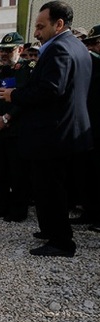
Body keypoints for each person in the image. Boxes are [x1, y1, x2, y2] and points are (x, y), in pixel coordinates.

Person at [0, 1, 92, 257]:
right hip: (66, 131)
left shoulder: (60, 49)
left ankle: (62, 241)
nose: (36, 33)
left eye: (41, 26)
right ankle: (52, 229)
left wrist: (14, 95)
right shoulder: (78, 48)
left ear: (58, 24)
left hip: (54, 134)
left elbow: (50, 90)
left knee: (51, 188)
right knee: (52, 187)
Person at [0, 32, 34, 223]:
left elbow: (25, 98)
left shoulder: (26, 69)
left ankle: (18, 211)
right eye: (2, 50)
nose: (4, 54)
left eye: (9, 50)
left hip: (15, 129)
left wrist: (7, 117)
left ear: (20, 50)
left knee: (17, 173)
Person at [83, 25, 100, 233]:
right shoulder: (91, 64)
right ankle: (91, 212)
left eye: (95, 43)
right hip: (89, 127)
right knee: (89, 174)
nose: (92, 48)